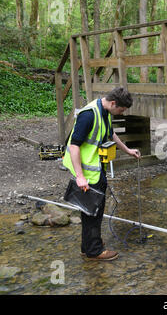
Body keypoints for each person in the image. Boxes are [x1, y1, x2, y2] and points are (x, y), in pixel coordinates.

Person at [62, 87, 141, 261]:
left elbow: (110, 133)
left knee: (92, 210)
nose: (120, 113)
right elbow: (74, 145)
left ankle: (88, 246)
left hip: (97, 169)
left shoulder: (104, 111)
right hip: (87, 172)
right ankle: (94, 251)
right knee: (93, 211)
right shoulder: (89, 115)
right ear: (113, 103)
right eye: (120, 110)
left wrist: (127, 150)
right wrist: (80, 176)